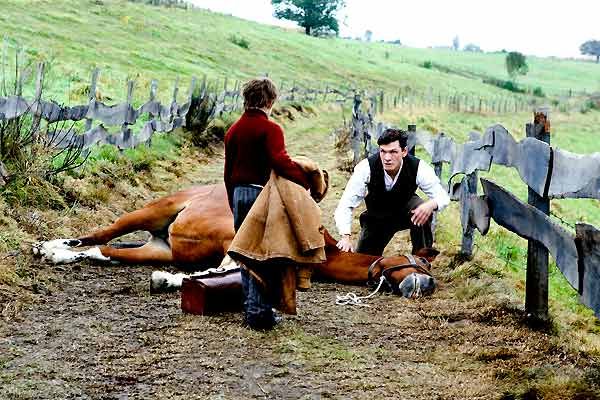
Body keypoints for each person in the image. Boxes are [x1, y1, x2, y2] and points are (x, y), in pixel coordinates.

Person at [224, 77, 310, 330]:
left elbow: (228, 171)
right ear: (271, 101)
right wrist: (304, 181)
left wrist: (233, 199)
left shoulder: (233, 130)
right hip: (261, 196)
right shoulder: (270, 129)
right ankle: (259, 313)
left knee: (244, 253)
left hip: (239, 193)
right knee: (264, 255)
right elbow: (280, 160)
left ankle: (251, 308)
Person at [334, 128, 450, 256]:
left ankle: (421, 261)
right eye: (383, 151)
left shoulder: (419, 167)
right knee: (363, 264)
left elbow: (443, 197)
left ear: (404, 151)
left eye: (393, 152)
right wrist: (345, 236)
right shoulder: (365, 168)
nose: (387, 158)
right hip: (377, 218)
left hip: (406, 213)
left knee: (421, 208)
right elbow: (345, 204)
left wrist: (430, 205)